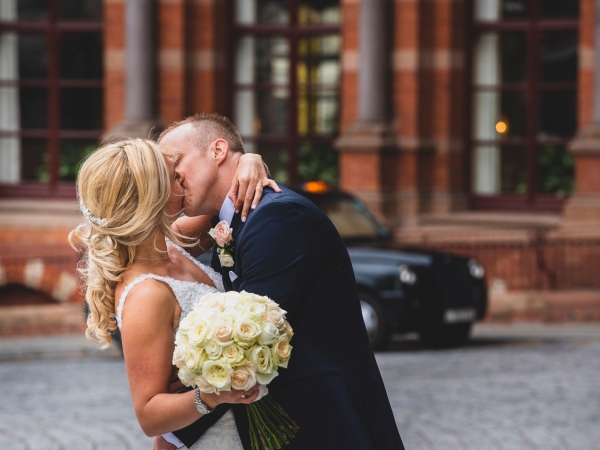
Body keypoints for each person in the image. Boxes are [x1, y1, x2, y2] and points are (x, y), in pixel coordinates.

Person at [157, 113, 405, 449]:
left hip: (323, 419)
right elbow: (155, 242)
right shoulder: (226, 220)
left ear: (218, 150)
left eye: (177, 162)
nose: (172, 176)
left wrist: (172, 431)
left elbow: (246, 340)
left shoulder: (277, 216)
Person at [70, 138, 279, 449]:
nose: (185, 177)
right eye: (176, 175)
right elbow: (149, 415)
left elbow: (230, 197)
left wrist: (249, 160)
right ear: (152, 196)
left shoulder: (172, 243)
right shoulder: (146, 295)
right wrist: (213, 394)